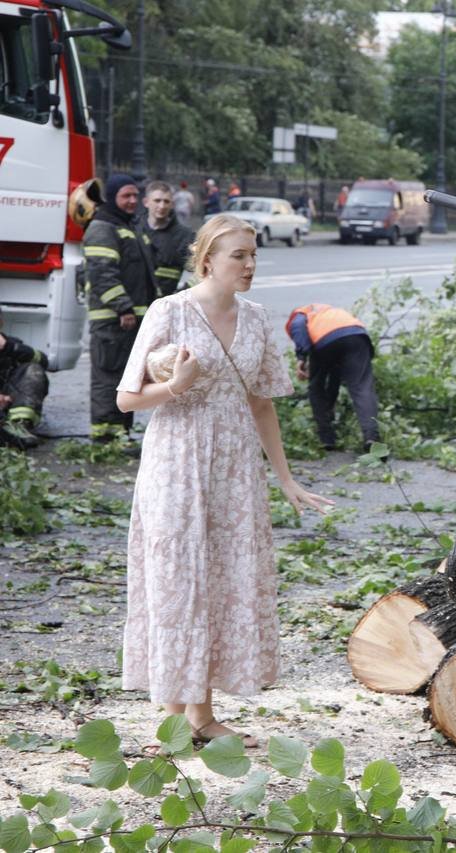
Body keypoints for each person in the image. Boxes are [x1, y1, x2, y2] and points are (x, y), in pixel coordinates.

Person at [115, 214, 331, 745]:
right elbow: (126, 399)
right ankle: (173, 721)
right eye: (239, 255)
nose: (250, 265)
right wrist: (176, 386)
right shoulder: (169, 311)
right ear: (207, 259)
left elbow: (261, 404)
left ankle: (203, 719)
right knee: (176, 582)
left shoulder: (256, 319)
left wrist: (285, 480)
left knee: (220, 581)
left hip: (235, 467)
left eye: (254, 255)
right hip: (176, 461)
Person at [84, 173, 156, 443]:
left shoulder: (126, 225)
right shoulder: (103, 227)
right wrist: (123, 307)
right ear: (112, 197)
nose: (132, 201)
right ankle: (104, 437)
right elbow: (103, 275)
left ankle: (121, 432)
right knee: (108, 375)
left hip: (130, 319)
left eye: (135, 196)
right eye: (126, 196)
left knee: (128, 377)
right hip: (113, 319)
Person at [286, 304, 381, 451]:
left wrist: (302, 357)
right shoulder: (329, 311)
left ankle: (327, 438)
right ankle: (372, 438)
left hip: (325, 341)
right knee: (362, 388)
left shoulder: (299, 315)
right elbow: (333, 382)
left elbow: (298, 327)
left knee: (316, 387)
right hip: (357, 336)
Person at [0, 310, 50, 449]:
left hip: (9, 403)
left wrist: (9, 347)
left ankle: (20, 426)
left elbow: (44, 361)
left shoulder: (12, 344)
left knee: (33, 370)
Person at [142, 181, 195, 297]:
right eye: (157, 201)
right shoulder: (134, 230)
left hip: (165, 305)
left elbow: (203, 270)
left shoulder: (184, 235)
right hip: (133, 307)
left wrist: (182, 293)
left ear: (172, 204)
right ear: (146, 202)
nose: (162, 206)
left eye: (166, 201)